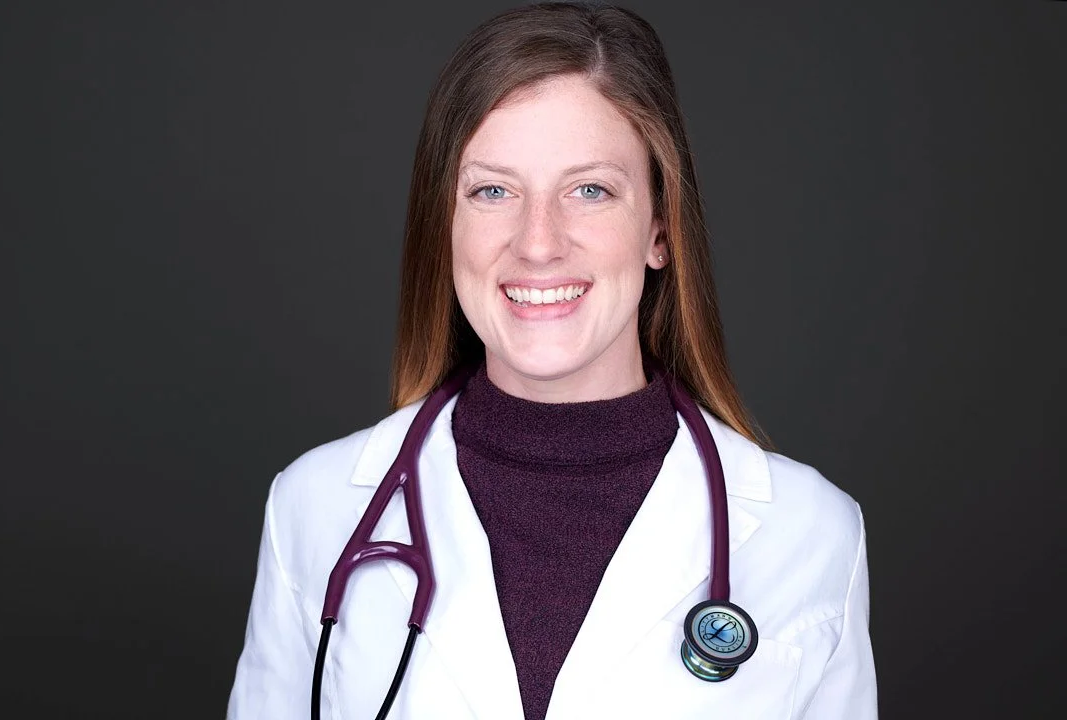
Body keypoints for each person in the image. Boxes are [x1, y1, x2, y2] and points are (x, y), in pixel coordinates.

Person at [226, 2, 877, 718]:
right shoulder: (313, 511)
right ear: (444, 225)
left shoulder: (811, 537)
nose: (538, 242)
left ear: (660, 229)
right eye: (493, 190)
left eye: (589, 190)